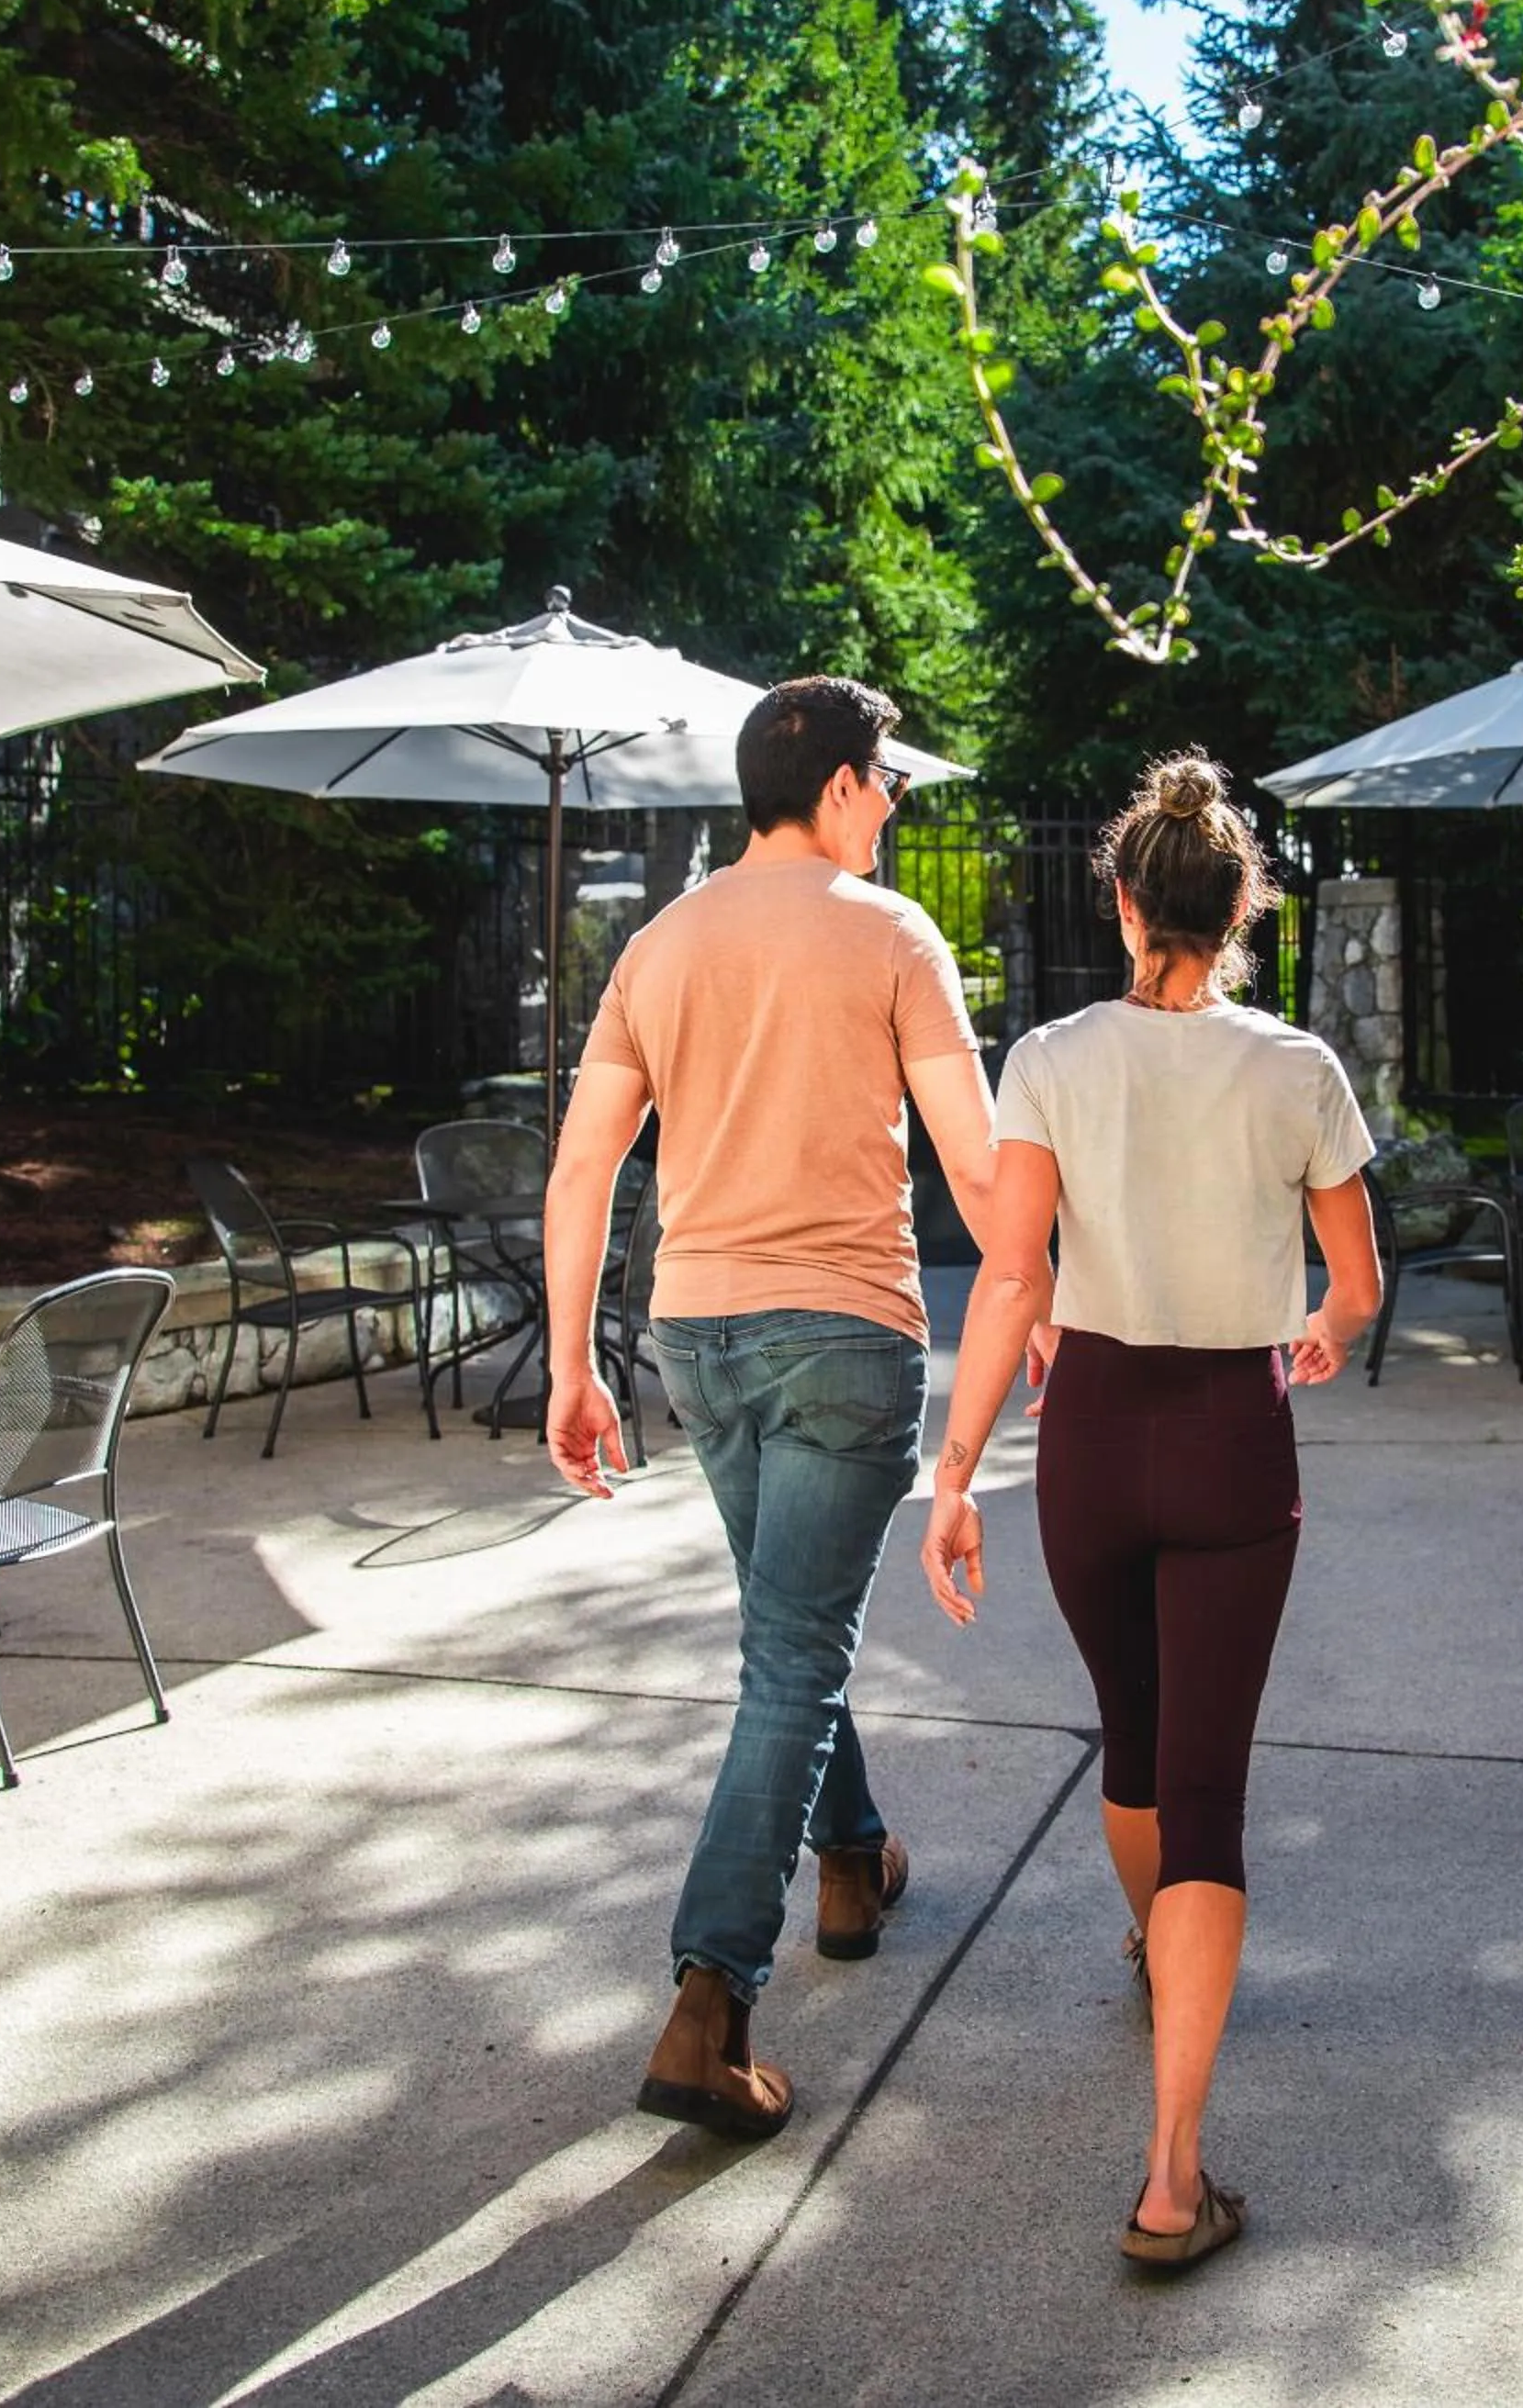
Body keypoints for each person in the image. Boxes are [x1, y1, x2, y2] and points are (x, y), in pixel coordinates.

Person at [919, 751, 1381, 2271]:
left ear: (1123, 905)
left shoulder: (1049, 1056)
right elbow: (1357, 1287)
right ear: (1243, 907)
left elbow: (1012, 1274)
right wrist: (1316, 1335)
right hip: (1235, 1442)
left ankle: (1149, 1947)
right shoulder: (1299, 1068)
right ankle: (1174, 2176)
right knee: (1210, 1793)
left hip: (1092, 1442)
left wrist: (953, 1467)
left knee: (1132, 1732)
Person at [543, 674, 995, 2144]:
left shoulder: (657, 947)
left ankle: (853, 1861)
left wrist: (571, 1363)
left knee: (789, 1634)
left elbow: (584, 1166)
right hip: (843, 1340)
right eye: (890, 784)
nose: (897, 809)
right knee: (791, 1659)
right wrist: (1048, 1293)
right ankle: (709, 1998)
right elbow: (980, 1172)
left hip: (696, 1340)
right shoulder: (892, 936)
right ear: (846, 787)